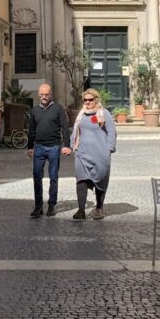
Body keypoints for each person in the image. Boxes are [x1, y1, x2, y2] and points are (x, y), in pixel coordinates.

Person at [70, 89, 117, 219]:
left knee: (100, 180)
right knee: (81, 179)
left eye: (90, 100)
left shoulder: (104, 114)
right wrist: (72, 146)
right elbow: (75, 131)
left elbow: (111, 132)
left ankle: (99, 208)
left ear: (96, 100)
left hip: (100, 154)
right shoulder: (81, 115)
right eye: (85, 100)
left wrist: (109, 149)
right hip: (82, 153)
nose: (87, 102)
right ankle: (81, 210)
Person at [27, 82, 71, 218]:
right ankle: (38, 206)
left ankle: (52, 205)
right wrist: (30, 147)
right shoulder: (35, 110)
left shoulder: (58, 109)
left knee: (53, 177)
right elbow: (31, 129)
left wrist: (67, 145)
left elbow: (65, 127)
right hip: (39, 147)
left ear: (51, 94)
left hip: (54, 147)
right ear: (38, 95)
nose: (44, 97)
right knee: (37, 177)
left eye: (46, 94)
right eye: (42, 95)